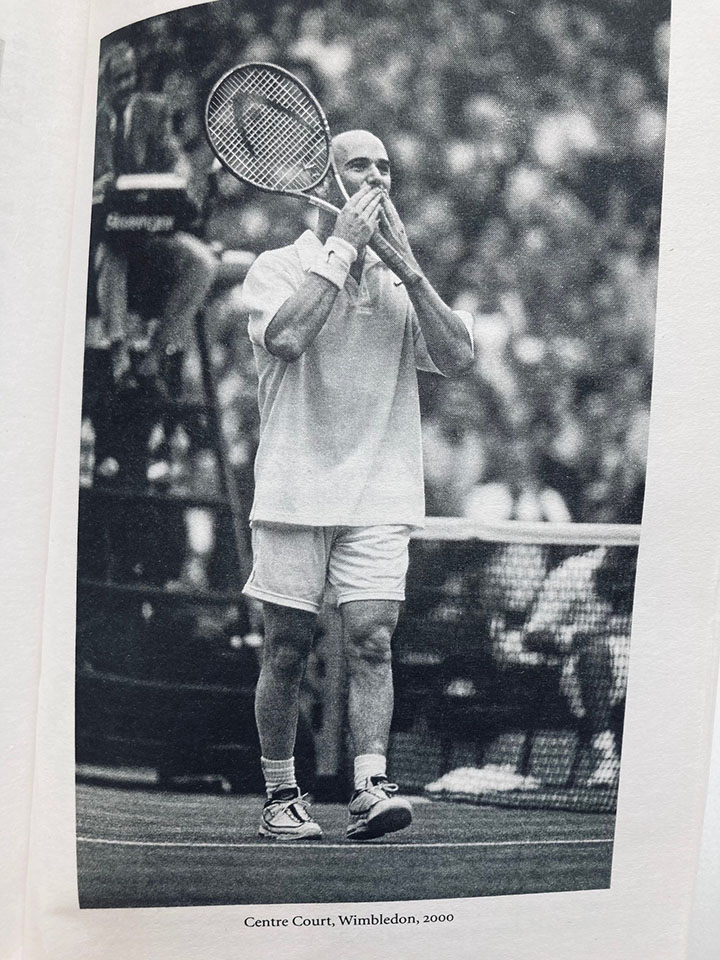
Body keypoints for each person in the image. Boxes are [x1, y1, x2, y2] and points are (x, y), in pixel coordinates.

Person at [240, 129, 474, 840]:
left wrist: (407, 265)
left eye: (384, 167)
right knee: (286, 648)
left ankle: (371, 786)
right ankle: (282, 794)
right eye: (359, 166)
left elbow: (459, 356)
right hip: (295, 486)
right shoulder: (276, 267)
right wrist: (344, 248)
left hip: (381, 488)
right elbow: (285, 339)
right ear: (324, 179)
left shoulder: (400, 280)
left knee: (373, 639)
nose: (376, 177)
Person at [93, 42, 216, 390]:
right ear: (103, 83)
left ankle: (153, 359)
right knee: (114, 247)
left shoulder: (153, 111)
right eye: (116, 80)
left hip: (153, 230)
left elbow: (175, 156)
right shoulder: (90, 120)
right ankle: (119, 357)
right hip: (106, 236)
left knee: (202, 263)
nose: (125, 86)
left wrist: (179, 173)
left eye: (129, 76)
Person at [523, 545, 635, 788]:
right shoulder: (574, 571)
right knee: (594, 654)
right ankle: (604, 755)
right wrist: (579, 637)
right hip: (586, 666)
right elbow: (532, 635)